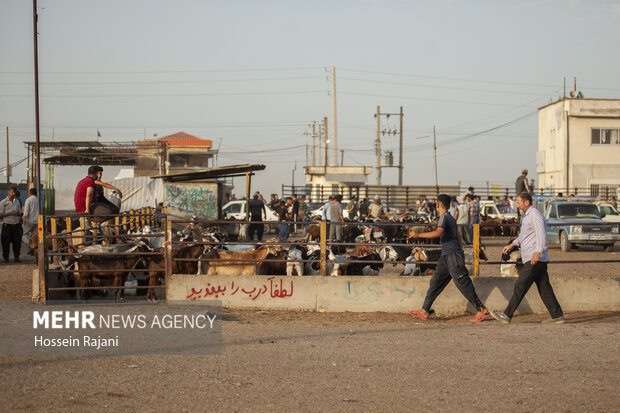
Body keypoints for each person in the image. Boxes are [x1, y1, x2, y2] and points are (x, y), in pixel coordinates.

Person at [407, 194, 491, 323]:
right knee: (435, 282)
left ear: (438, 205)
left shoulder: (444, 217)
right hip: (447, 256)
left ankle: (482, 309)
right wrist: (460, 252)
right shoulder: (450, 218)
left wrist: (418, 234)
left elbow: (438, 233)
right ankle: (425, 310)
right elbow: (458, 236)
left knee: (463, 284)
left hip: (452, 256)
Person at [491, 192, 564, 324]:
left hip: (534, 258)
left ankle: (507, 315)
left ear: (527, 202)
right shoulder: (527, 216)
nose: (517, 205)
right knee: (544, 288)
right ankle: (557, 315)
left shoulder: (535, 215)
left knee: (521, 284)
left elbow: (541, 234)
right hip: (534, 258)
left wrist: (538, 252)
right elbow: (524, 235)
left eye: (519, 203)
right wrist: (513, 244)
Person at [0, 186, 23, 262]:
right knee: (5, 243)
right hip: (7, 225)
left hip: (16, 225)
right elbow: (1, 214)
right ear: (9, 192)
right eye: (12, 192)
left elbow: (20, 212)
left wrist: (19, 214)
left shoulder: (17, 202)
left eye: (14, 192)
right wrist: (11, 213)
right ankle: (6, 258)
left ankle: (16, 257)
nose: (13, 194)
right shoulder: (3, 202)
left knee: (17, 242)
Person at [21, 188, 39, 254]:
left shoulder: (28, 200)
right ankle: (35, 251)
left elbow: (26, 212)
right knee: (34, 236)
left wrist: (24, 220)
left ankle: (30, 245)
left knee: (23, 234)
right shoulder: (38, 199)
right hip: (37, 221)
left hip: (29, 221)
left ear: (30, 193)